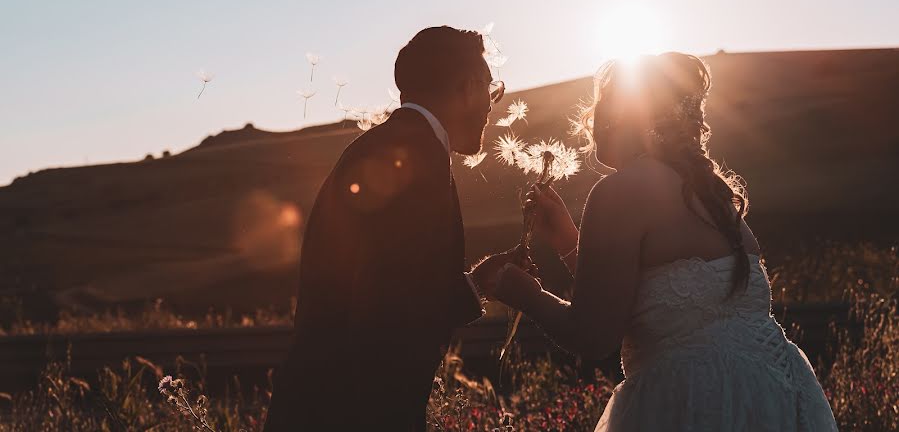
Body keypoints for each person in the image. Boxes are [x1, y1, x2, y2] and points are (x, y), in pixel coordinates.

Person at [494, 52, 838, 431]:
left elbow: (592, 337)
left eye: (602, 105)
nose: (591, 120)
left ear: (623, 116)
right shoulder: (711, 197)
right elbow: (651, 302)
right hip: (774, 398)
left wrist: (524, 293)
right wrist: (566, 239)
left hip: (692, 404)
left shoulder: (618, 192)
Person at [263, 26, 525, 432]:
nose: (492, 108)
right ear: (469, 87)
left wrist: (479, 282)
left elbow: (396, 282)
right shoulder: (414, 160)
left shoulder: (392, 146)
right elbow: (389, 310)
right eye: (491, 90)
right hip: (352, 410)